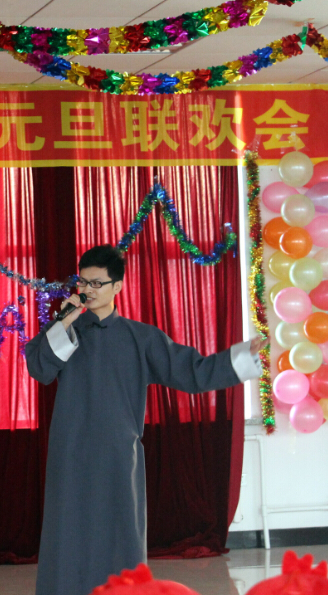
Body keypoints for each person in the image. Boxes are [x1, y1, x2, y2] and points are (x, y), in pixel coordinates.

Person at [25, 245, 264, 595]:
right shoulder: (68, 332)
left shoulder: (141, 338)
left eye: (97, 283)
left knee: (121, 534)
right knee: (68, 532)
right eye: (83, 282)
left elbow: (192, 372)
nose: (88, 290)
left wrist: (239, 358)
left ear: (117, 286)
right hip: (71, 453)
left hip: (119, 455)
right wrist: (65, 321)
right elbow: (39, 368)